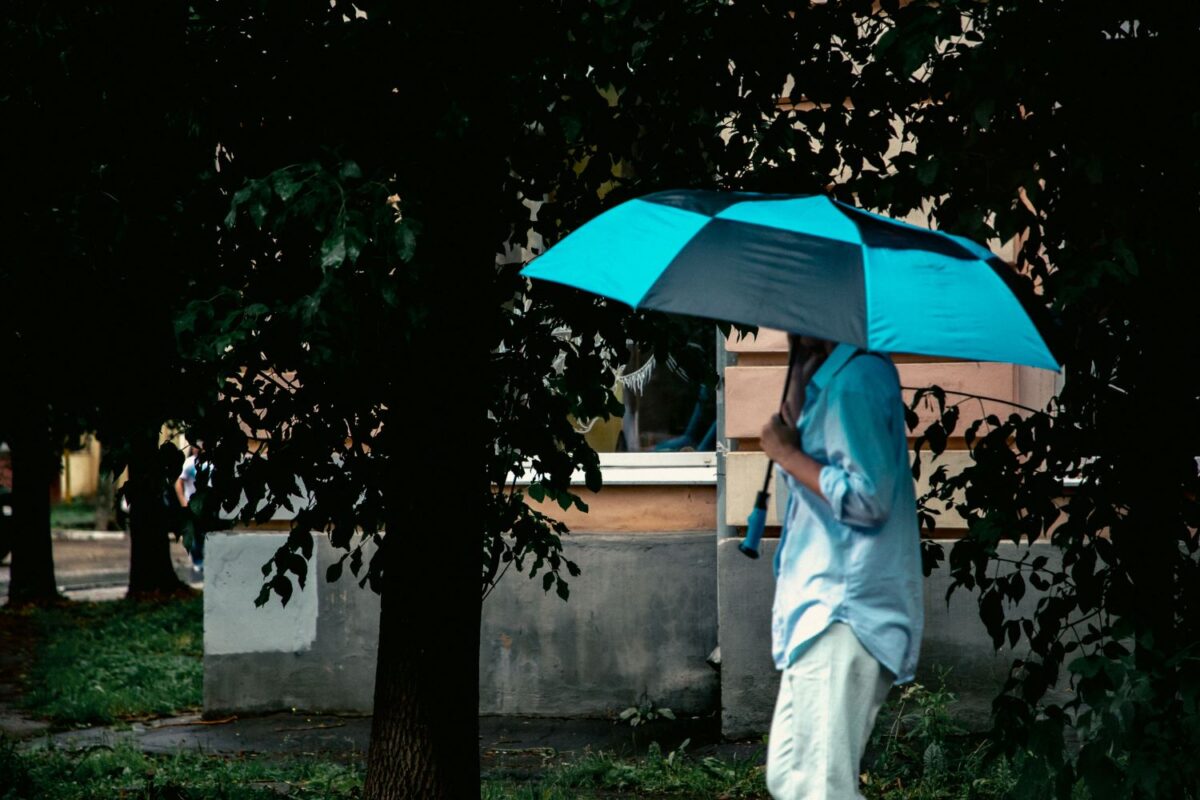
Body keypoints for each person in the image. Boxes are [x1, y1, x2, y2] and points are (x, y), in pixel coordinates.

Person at [759, 335, 924, 800]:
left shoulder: (857, 380)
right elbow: (805, 442)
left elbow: (869, 498)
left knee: (820, 788)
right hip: (822, 606)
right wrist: (800, 362)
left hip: (845, 610)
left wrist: (788, 457)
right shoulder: (832, 379)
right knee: (789, 779)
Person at [174, 440, 208, 578]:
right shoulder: (188, 463)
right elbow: (179, 483)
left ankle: (206, 560)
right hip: (191, 505)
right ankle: (198, 562)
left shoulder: (211, 463)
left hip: (208, 505)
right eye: (195, 446)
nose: (198, 448)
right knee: (194, 535)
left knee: (206, 534)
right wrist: (183, 502)